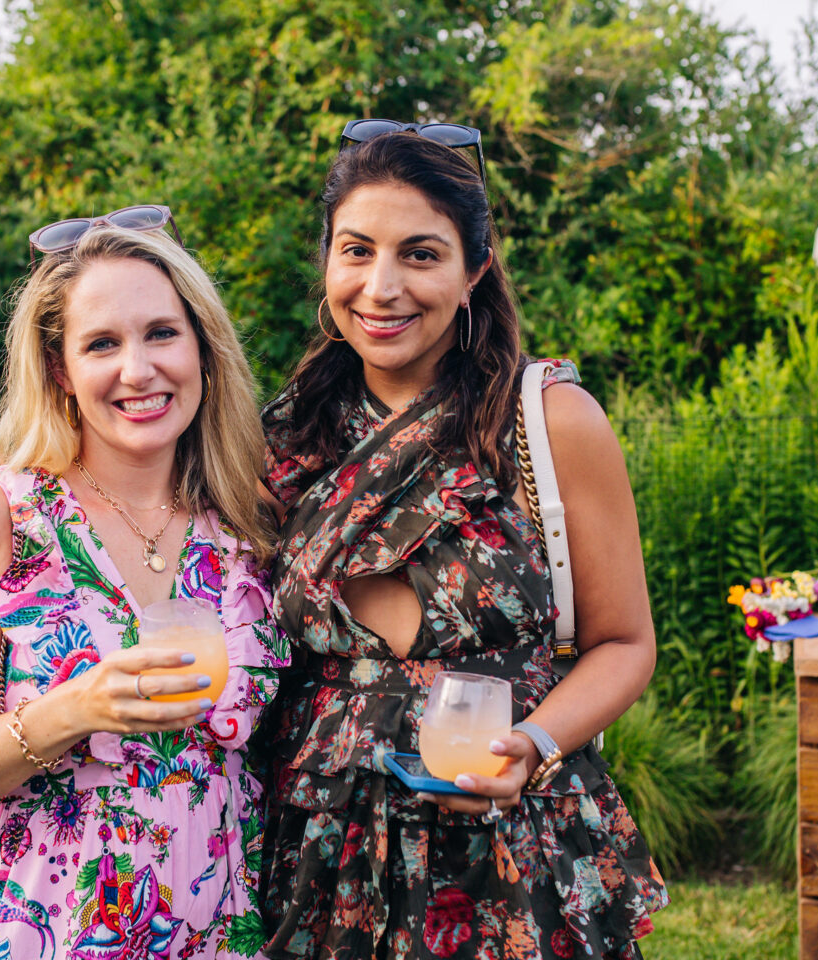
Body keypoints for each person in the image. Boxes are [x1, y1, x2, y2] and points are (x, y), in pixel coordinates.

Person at [259, 129, 669, 959]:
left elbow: (625, 643)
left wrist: (535, 744)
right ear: (327, 262)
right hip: (322, 846)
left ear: (473, 269)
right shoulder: (285, 436)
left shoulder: (548, 422)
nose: (381, 287)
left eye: (420, 254)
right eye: (356, 251)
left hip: (512, 844)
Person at [0, 214, 288, 960]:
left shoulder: (248, 523)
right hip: (45, 933)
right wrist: (74, 709)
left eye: (162, 334)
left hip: (223, 937)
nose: (138, 369)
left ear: (203, 349)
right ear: (59, 371)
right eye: (102, 344)